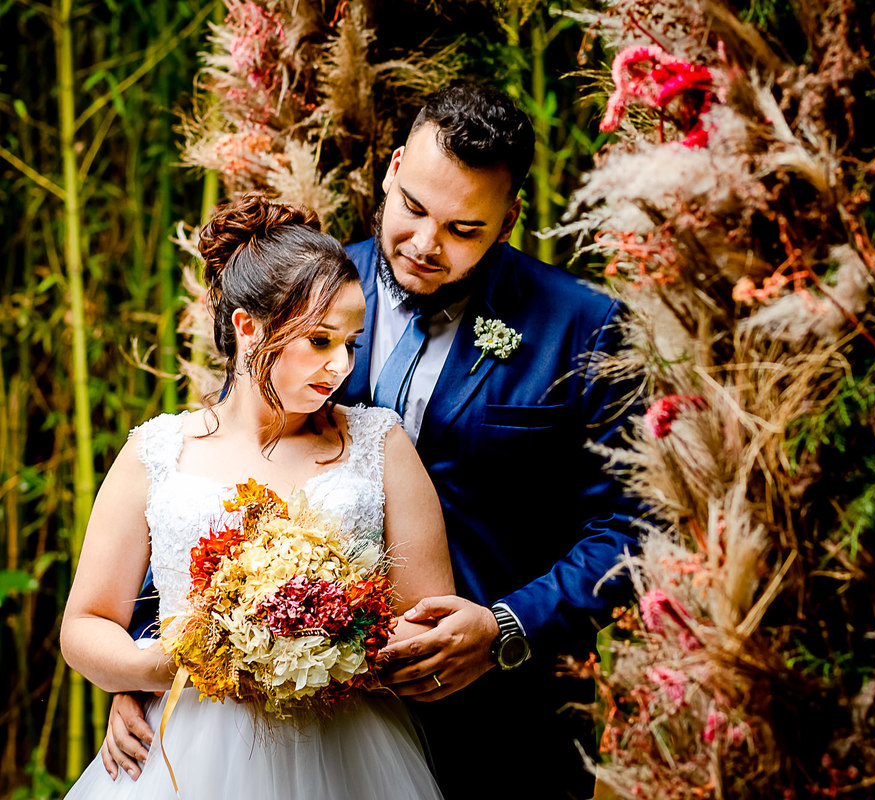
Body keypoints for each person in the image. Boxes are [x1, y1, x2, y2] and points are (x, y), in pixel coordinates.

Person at [106, 84, 641, 799]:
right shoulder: (300, 290)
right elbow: (211, 469)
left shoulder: (584, 326)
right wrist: (146, 663)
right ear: (391, 170)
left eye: (464, 229)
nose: (425, 244)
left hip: (507, 727)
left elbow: (628, 529)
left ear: (509, 220)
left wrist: (508, 626)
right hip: (289, 733)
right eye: (414, 207)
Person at [62, 194, 453, 799]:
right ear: (248, 327)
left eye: (352, 342)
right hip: (183, 756)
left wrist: (333, 639)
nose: (341, 365)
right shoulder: (157, 451)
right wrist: (153, 671)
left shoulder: (382, 444)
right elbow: (86, 624)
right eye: (320, 341)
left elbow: (429, 625)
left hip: (350, 752)